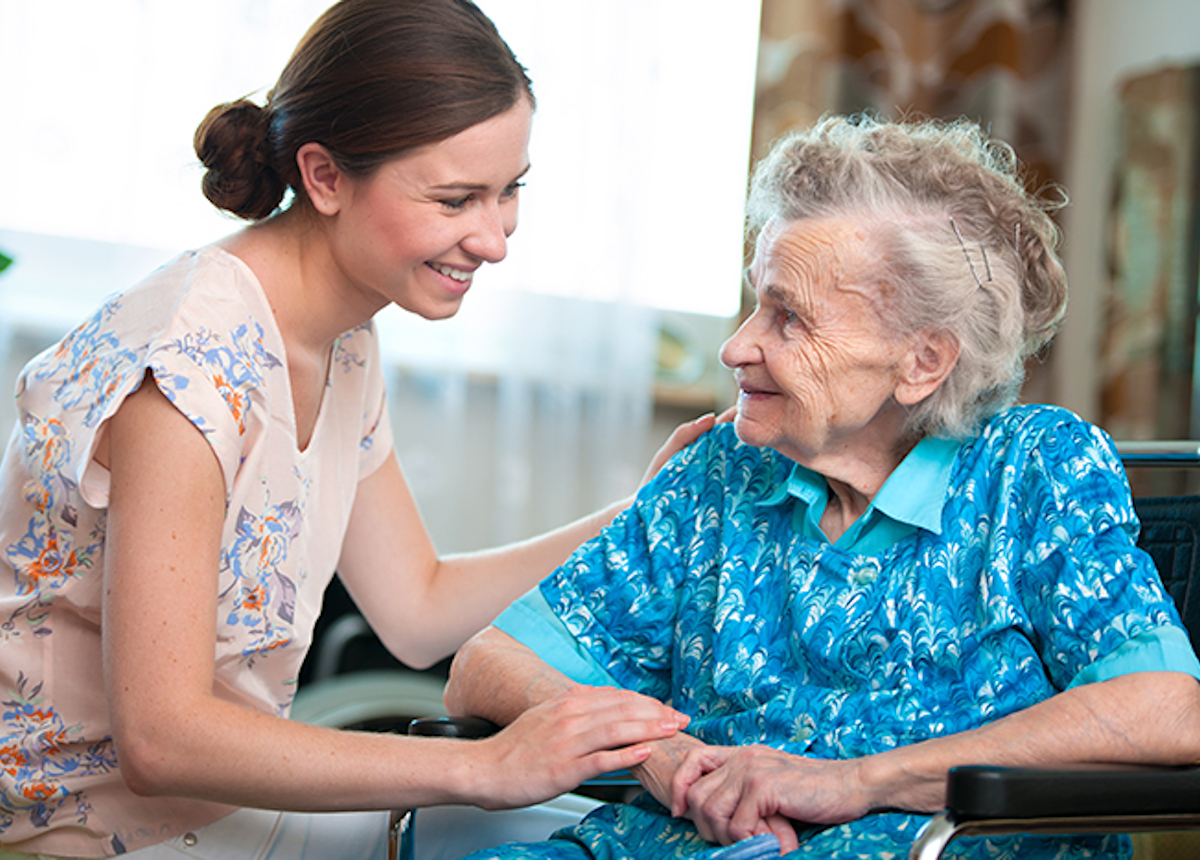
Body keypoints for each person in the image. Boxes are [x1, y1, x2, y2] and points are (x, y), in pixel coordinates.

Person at [0, 1, 704, 857]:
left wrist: (643, 509)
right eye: (456, 198)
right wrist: (485, 767)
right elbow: (162, 740)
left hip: (220, 816)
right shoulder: (184, 367)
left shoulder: (343, 340)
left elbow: (417, 606)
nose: (494, 238)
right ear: (326, 177)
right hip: (87, 832)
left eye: (510, 189)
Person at [444, 114, 1200, 860]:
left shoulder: (1033, 472)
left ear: (922, 363)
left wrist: (859, 781)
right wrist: (665, 762)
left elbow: (1166, 709)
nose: (737, 346)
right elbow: (486, 666)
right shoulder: (722, 471)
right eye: (755, 302)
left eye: (789, 318)